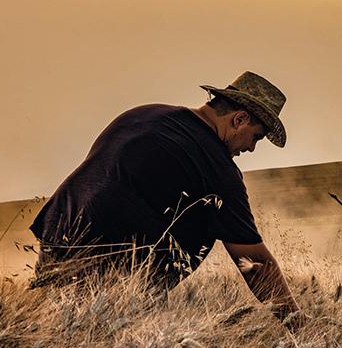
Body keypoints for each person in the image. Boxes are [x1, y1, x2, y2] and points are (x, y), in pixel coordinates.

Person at [29, 71, 305, 326]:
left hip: (56, 237)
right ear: (239, 119)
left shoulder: (142, 114)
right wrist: (297, 323)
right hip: (116, 276)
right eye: (255, 137)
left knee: (49, 335)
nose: (252, 148)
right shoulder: (219, 171)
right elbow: (254, 264)